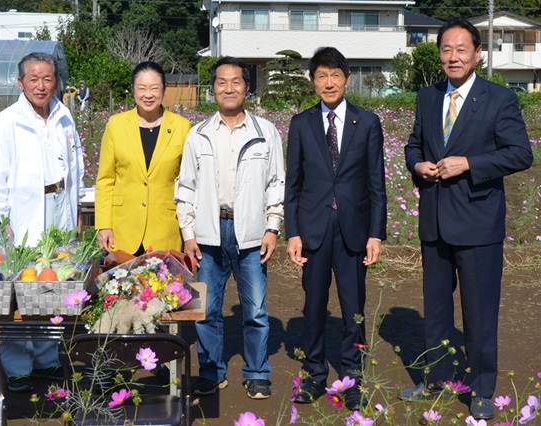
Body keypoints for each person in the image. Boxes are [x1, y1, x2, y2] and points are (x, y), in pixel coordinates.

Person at [401, 18, 533, 420]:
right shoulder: (426, 97)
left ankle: (481, 388)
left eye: (461, 49)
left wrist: (469, 163)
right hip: (435, 222)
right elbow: (411, 145)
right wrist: (418, 164)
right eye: (446, 49)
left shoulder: (499, 98)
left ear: (478, 53)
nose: (453, 56)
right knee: (437, 310)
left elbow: (520, 154)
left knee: (479, 312)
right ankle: (438, 380)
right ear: (439, 54)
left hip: (478, 225)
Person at [175, 56, 285, 399]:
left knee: (254, 311)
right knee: (206, 310)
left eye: (236, 81)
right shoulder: (199, 134)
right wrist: (188, 233)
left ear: (247, 87)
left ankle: (256, 372)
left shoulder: (265, 132)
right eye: (221, 82)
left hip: (251, 234)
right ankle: (211, 371)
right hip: (209, 232)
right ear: (212, 89)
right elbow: (186, 187)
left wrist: (273, 227)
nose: (229, 88)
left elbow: (276, 183)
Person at [284, 46, 387, 409]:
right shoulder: (301, 123)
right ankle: (314, 373)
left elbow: (377, 184)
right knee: (313, 305)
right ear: (313, 82)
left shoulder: (368, 122)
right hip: (312, 230)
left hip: (353, 230)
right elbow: (292, 185)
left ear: (346, 79)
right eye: (321, 76)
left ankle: (352, 376)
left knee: (353, 305)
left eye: (335, 75)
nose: (329, 83)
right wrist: (292, 233)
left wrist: (376, 234)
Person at [0, 52, 85, 393]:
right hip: (23, 212)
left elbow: (77, 166)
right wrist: (0, 219)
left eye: (48, 79)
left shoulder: (64, 115)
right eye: (34, 79)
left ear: (56, 81)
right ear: (21, 82)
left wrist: (78, 208)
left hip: (59, 205)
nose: (42, 86)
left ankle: (47, 357)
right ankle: (17, 364)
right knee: (22, 291)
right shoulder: (6, 122)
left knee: (53, 286)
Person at [95, 61, 191, 255]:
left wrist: (189, 231)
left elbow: (188, 183)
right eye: (142, 88)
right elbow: (105, 180)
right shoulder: (116, 124)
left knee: (165, 284)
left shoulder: (182, 127)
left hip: (165, 229)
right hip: (123, 230)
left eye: (155, 88)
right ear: (133, 90)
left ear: (164, 90)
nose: (148, 94)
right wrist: (103, 225)